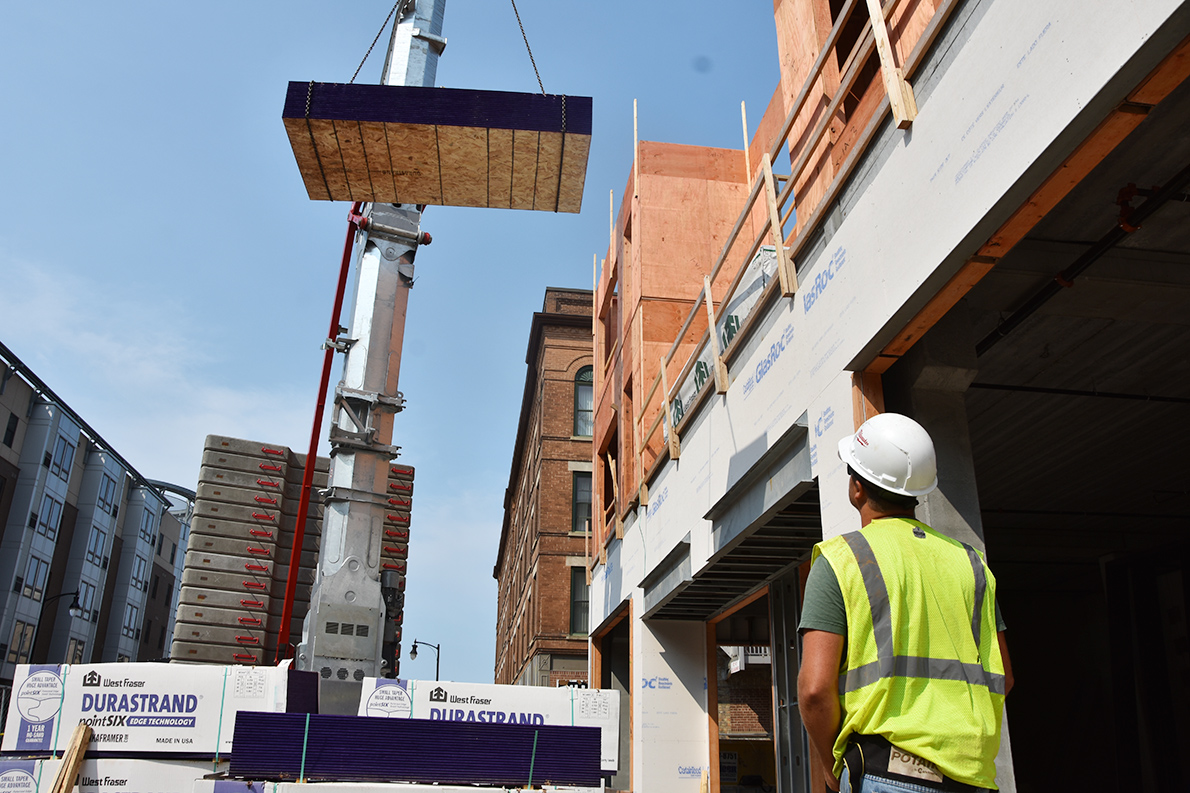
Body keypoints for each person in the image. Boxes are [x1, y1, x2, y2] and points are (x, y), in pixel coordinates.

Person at [798, 413, 1013, 792]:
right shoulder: (971, 563)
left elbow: (815, 690)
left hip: (886, 773)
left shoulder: (841, 559)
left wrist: (829, 764)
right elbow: (1004, 676)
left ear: (857, 489)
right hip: (974, 778)